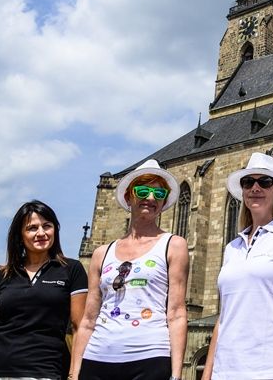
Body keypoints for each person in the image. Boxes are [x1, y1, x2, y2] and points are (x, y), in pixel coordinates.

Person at [70, 160, 189, 380]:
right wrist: (74, 373)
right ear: (128, 197)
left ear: (163, 202)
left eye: (158, 193)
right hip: (97, 356)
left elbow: (177, 313)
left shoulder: (174, 245)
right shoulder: (101, 253)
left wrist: (176, 374)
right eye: (142, 191)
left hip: (150, 355)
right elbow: (88, 319)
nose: (150, 198)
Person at [202, 152, 273, 379]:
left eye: (265, 182)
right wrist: (208, 371)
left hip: (272, 368)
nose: (255, 188)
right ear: (242, 192)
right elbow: (224, 316)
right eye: (248, 182)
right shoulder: (232, 247)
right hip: (225, 370)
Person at [0, 200, 88, 379]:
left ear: (55, 230)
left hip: (42, 371)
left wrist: (74, 375)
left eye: (47, 226)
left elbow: (79, 327)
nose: (41, 233)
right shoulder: (2, 276)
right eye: (32, 228)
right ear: (20, 235)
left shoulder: (72, 269)